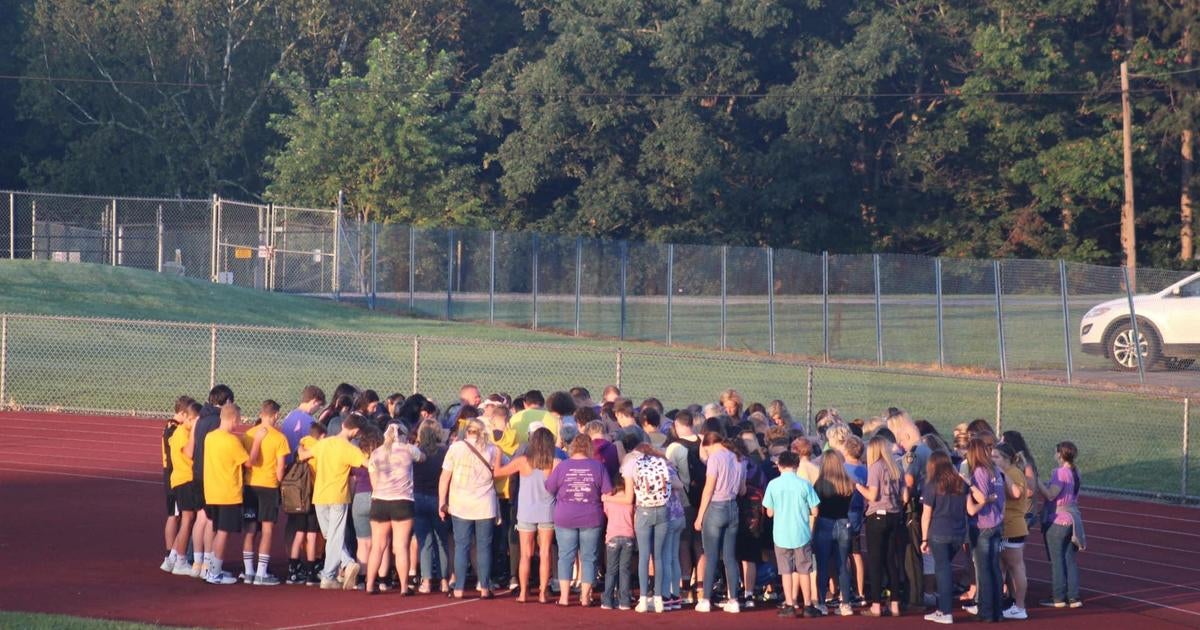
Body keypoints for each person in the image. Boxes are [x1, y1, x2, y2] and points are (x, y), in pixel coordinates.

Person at [606, 443, 682, 613]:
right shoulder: (661, 461)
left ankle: (643, 599)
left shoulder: (631, 463)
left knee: (644, 557)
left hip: (644, 510)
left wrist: (606, 499)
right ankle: (658, 599)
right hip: (663, 510)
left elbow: (628, 497)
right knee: (659, 557)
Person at [298, 413, 367, 590]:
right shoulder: (350, 449)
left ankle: (335, 571)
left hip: (320, 496)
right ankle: (343, 566)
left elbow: (303, 456)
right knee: (334, 536)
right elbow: (369, 464)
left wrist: (300, 447)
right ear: (356, 431)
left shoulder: (324, 443)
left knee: (330, 536)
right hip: (339, 496)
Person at [492, 427, 559, 603]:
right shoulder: (555, 462)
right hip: (547, 511)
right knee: (545, 553)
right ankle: (543, 592)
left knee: (525, 554)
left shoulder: (523, 461)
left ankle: (523, 593)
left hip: (526, 512)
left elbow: (497, 472)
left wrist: (498, 452)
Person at [546, 434, 611, 607]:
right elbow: (608, 491)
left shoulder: (563, 466)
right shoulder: (598, 466)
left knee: (565, 556)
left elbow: (549, 487)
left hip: (565, 515)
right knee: (589, 557)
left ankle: (564, 597)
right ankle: (585, 597)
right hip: (591, 515)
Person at [439, 417, 501, 599]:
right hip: (485, 504)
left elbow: (445, 477)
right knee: (484, 546)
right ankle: (484, 586)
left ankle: (458, 587)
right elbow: (500, 468)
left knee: (461, 546)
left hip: (460, 503)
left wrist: (442, 502)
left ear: (466, 431)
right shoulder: (492, 449)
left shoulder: (456, 448)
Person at [203, 404, 262, 585]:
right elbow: (249, 463)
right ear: (233, 419)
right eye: (239, 419)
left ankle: (212, 569)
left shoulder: (210, 437)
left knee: (216, 530)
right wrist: (258, 440)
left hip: (212, 491)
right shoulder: (231, 441)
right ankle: (214, 573)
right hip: (228, 493)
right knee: (223, 533)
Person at [364, 424, 425, 594]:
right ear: (403, 435)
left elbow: (373, 480)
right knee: (401, 546)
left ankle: (369, 584)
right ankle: (405, 587)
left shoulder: (376, 453)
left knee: (377, 546)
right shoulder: (408, 450)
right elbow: (423, 458)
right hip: (402, 501)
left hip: (380, 501)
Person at [764, 451, 822, 619]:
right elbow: (815, 510)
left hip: (781, 534)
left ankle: (789, 603)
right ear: (797, 466)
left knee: (786, 571)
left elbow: (769, 512)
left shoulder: (773, 485)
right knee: (804, 570)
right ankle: (808, 605)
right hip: (801, 533)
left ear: (780, 466)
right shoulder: (804, 485)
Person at [239, 400, 290, 585]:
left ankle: (249, 571)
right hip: (268, 487)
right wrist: (279, 482)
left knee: (250, 529)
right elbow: (280, 468)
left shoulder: (248, 434)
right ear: (275, 415)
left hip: (250, 485)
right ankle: (261, 572)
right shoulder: (280, 438)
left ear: (261, 413)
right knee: (267, 530)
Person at [694, 432, 746, 614]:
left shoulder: (715, 459)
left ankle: (706, 599)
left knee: (711, 556)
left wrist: (700, 516)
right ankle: (733, 600)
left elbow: (709, 488)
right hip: (733, 507)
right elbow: (742, 490)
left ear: (708, 444)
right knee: (730, 557)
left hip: (716, 506)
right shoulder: (739, 459)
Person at [855, 434, 904, 618]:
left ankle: (876, 605)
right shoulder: (896, 466)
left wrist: (859, 487)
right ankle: (895, 604)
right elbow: (904, 495)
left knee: (876, 561)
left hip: (877, 516)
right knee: (891, 560)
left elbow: (873, 495)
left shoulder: (875, 467)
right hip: (894, 514)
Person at [188, 384, 234, 579]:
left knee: (200, 518)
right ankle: (208, 563)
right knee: (211, 520)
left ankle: (197, 563)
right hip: (210, 475)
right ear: (226, 402)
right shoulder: (217, 421)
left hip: (196, 473)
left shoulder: (201, 418)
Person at [920, 450, 969, 625]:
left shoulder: (932, 485)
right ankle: (942, 608)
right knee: (945, 568)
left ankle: (945, 611)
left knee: (942, 571)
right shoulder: (961, 484)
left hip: (939, 532)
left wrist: (924, 539)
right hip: (958, 533)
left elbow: (926, 514)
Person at [664, 409, 705, 603]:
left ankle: (685, 587)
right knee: (700, 545)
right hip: (704, 500)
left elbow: (668, 474)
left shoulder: (674, 447)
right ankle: (701, 587)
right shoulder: (703, 441)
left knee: (683, 544)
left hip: (684, 502)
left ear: (677, 425)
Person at [1038, 441, 1084, 609]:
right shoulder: (1076, 472)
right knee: (1069, 559)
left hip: (1058, 520)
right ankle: (1073, 597)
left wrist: (1037, 482)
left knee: (1057, 560)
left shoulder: (1060, 473)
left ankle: (1058, 597)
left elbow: (1051, 495)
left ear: (1059, 454)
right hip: (1073, 520)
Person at [965, 436, 1006, 622]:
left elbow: (981, 499)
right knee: (995, 568)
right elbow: (1002, 498)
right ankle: (998, 611)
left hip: (982, 524)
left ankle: (986, 611)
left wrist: (970, 488)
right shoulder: (996, 470)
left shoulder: (979, 472)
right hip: (996, 523)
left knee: (984, 570)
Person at [813, 450, 856, 617]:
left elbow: (816, 508)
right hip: (844, 523)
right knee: (842, 564)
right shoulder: (847, 482)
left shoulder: (820, 484)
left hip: (824, 523)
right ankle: (846, 603)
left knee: (823, 565)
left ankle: (822, 602)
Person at [412, 419, 451, 594]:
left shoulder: (416, 452)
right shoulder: (444, 451)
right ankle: (443, 580)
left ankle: (427, 581)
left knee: (424, 541)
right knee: (442, 541)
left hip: (419, 497)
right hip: (439, 499)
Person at [994, 443, 1030, 620]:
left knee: (1016, 567)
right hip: (1007, 525)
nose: (993, 460)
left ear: (1006, 459)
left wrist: (1003, 477)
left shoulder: (1013, 474)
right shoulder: (1009, 473)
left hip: (1013, 526)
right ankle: (1004, 602)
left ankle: (1020, 606)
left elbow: (1016, 494)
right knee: (1002, 566)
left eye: (996, 457)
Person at [286, 422, 325, 586]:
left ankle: (293, 570)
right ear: (322, 435)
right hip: (313, 494)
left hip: (298, 495)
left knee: (299, 534)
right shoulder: (319, 448)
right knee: (312, 534)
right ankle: (311, 572)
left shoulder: (301, 444)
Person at [166, 401, 202, 576]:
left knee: (188, 518)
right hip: (184, 479)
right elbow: (188, 452)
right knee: (187, 519)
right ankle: (180, 560)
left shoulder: (183, 431)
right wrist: (194, 430)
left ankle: (173, 557)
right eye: (194, 420)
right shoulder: (182, 433)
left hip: (185, 479)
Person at [159, 396, 191, 572]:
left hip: (170, 473)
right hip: (174, 474)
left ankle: (171, 554)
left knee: (175, 515)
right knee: (176, 515)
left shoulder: (169, 426)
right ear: (182, 413)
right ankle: (171, 555)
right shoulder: (174, 429)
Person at [350, 425, 384, 589]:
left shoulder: (358, 458)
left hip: (359, 497)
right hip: (377, 496)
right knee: (379, 542)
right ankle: (379, 578)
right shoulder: (382, 457)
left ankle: (361, 579)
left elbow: (352, 481)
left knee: (362, 542)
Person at [601, 476, 635, 610]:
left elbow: (607, 514)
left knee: (611, 570)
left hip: (613, 537)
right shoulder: (630, 501)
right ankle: (625, 601)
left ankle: (608, 600)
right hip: (628, 536)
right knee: (625, 570)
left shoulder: (609, 501)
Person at [280, 386, 325, 463]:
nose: (318, 409)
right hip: (296, 465)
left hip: (284, 460)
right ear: (314, 401)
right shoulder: (308, 420)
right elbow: (317, 446)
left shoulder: (290, 414)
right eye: (319, 405)